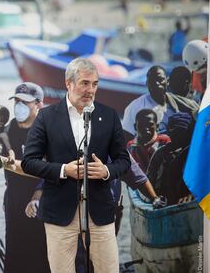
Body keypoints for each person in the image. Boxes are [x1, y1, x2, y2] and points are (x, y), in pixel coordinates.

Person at [22, 58, 130, 272]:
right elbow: (29, 162)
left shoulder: (108, 116)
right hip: (59, 212)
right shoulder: (46, 117)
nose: (91, 89)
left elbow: (123, 161)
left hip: (100, 211)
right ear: (68, 83)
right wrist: (64, 170)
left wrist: (106, 171)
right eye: (85, 83)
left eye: (95, 84)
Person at [2, 82, 50, 273]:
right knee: (14, 255)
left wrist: (37, 197)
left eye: (25, 102)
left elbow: (50, 169)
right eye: (16, 101)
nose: (19, 106)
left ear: (39, 105)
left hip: (42, 202)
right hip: (14, 200)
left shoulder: (48, 132)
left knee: (41, 256)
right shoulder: (9, 129)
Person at [122, 65, 199, 141]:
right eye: (152, 80)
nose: (157, 83)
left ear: (167, 82)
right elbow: (126, 138)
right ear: (147, 84)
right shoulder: (135, 106)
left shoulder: (180, 103)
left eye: (160, 79)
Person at [146, 112, 194, 205]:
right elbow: (149, 181)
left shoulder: (195, 155)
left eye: (180, 132)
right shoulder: (160, 154)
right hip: (164, 203)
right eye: (173, 133)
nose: (176, 136)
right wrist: (155, 198)